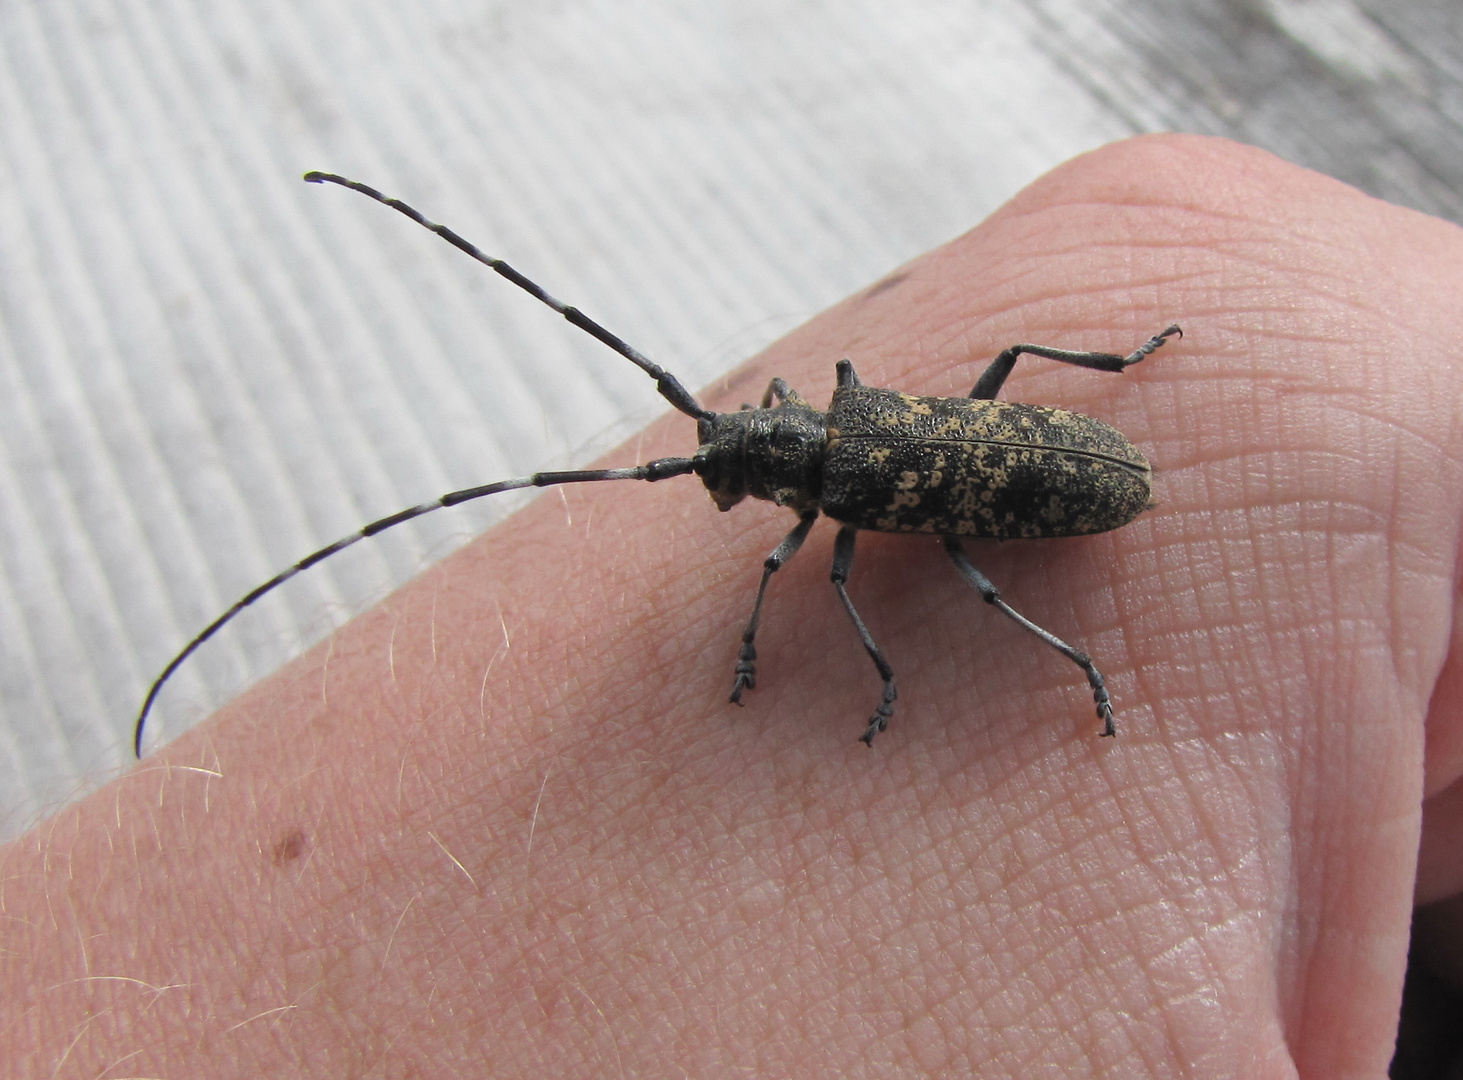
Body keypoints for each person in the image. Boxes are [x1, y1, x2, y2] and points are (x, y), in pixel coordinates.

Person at [4, 134, 1458, 1076]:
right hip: (1030, 469)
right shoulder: (831, 432)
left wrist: (878, 674)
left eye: (724, 459)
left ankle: (1072, 649)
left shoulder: (820, 520)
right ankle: (1064, 624)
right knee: (947, 493)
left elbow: (816, 573)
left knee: (951, 559)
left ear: (768, 455)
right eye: (720, 459)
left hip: (1065, 488)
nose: (717, 473)